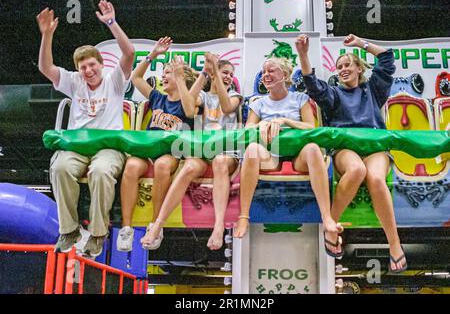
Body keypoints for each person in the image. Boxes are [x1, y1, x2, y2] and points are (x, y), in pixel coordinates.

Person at [297, 33, 407, 272]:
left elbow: (387, 58)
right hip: (346, 149)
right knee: (357, 170)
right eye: (339, 67)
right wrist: (303, 55)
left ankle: (395, 244)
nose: (343, 69)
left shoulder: (373, 89)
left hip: (375, 147)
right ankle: (331, 224)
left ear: (359, 68)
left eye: (348, 65)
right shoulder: (334, 93)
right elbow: (311, 84)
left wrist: (361, 44)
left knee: (376, 178)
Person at [37, 0, 135, 256]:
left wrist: (111, 23)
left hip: (108, 147)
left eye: (92, 65)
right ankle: (69, 230)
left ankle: (99, 233)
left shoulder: (114, 81)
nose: (88, 70)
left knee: (101, 172)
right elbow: (45, 68)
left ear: (101, 65)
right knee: (59, 167)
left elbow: (129, 53)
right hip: (78, 146)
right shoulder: (74, 81)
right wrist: (47, 35)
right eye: (83, 67)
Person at [233, 57, 342, 257]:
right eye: (264, 71)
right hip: (270, 154)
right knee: (251, 150)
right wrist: (261, 125)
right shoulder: (258, 103)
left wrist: (284, 121)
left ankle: (327, 218)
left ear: (284, 75)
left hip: (297, 155)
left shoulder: (299, 98)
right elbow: (248, 130)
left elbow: (311, 127)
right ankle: (243, 216)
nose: (266, 75)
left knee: (313, 148)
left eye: (271, 71)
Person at [139, 52, 243, 251]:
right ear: (214, 74)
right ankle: (158, 224)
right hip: (202, 151)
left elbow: (227, 107)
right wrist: (198, 74)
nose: (228, 76)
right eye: (224, 72)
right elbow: (188, 108)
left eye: (231, 74)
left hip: (227, 152)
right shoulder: (203, 96)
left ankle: (219, 226)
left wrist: (217, 77)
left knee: (220, 162)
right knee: (188, 167)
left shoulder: (234, 95)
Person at [117, 37, 199, 252]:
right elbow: (136, 77)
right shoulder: (157, 98)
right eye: (162, 74)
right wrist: (152, 55)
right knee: (132, 166)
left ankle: (155, 225)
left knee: (163, 165)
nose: (163, 77)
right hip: (148, 149)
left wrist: (180, 75)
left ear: (182, 78)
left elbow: (192, 112)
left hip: (171, 152)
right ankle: (126, 228)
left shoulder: (188, 102)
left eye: (167, 74)